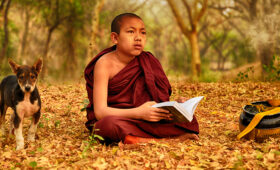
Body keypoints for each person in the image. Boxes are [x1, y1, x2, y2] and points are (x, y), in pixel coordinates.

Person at [84, 13, 199, 144]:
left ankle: (135, 139)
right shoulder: (104, 64)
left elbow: (156, 102)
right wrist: (138, 113)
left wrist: (176, 107)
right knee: (105, 126)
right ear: (115, 38)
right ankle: (155, 141)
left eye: (143, 33)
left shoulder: (148, 61)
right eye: (131, 32)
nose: (138, 38)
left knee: (190, 120)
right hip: (121, 118)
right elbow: (100, 112)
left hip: (146, 120)